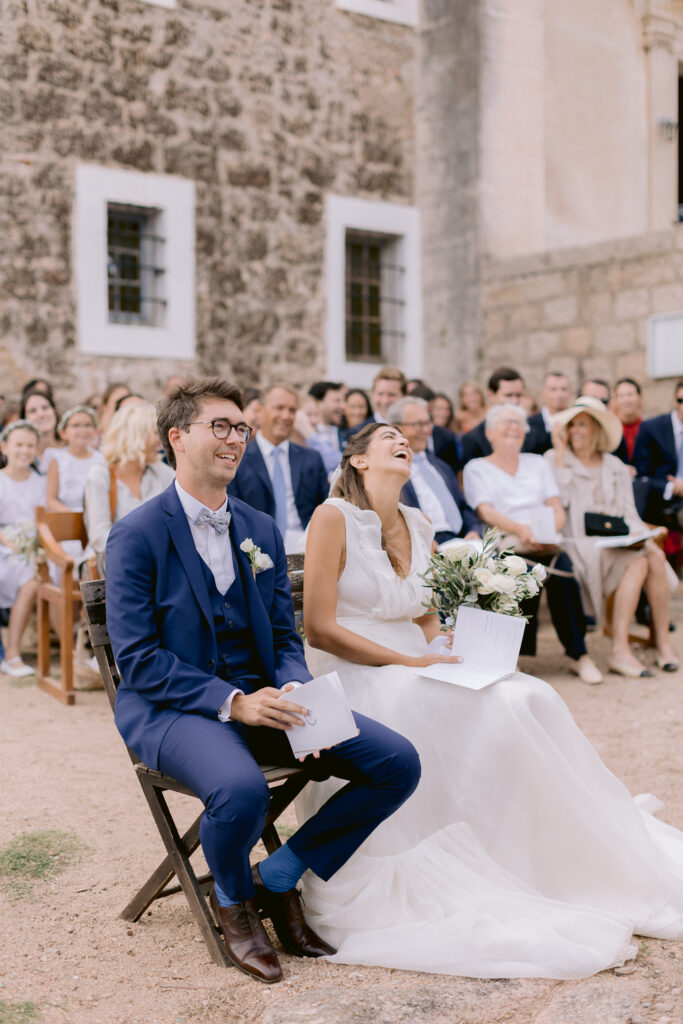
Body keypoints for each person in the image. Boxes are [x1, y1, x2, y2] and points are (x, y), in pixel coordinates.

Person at [298, 420, 683, 979]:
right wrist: (410, 662)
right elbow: (318, 628)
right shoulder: (331, 517)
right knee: (491, 709)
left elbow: (425, 610)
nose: (402, 441)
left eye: (406, 436)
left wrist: (442, 644)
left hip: (418, 660)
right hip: (360, 672)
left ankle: (539, 847)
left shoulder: (418, 520)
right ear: (357, 459)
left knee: (530, 695)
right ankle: (485, 849)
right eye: (388, 437)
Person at [104, 377, 422, 984]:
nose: (235, 439)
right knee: (242, 790)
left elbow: (282, 637)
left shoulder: (260, 527)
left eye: (240, 428)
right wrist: (233, 702)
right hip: (171, 710)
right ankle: (233, 901)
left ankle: (276, 877)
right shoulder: (137, 534)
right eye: (219, 427)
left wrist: (297, 687)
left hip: (266, 697)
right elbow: (138, 659)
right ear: (178, 437)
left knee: (396, 762)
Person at [463, 404, 601, 684]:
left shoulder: (537, 463)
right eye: (506, 422)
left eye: (519, 423)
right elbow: (485, 511)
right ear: (490, 432)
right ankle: (514, 657)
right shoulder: (477, 467)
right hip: (507, 538)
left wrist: (549, 531)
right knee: (519, 575)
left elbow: (555, 505)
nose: (514, 427)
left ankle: (579, 655)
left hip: (544, 538)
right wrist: (522, 531)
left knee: (564, 573)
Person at [546, 397, 677, 678]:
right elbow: (561, 504)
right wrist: (559, 457)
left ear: (596, 430)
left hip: (616, 540)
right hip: (580, 543)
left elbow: (629, 514)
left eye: (582, 424)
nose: (575, 431)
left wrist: (642, 534)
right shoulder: (554, 461)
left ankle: (641, 647)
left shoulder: (614, 465)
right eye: (571, 426)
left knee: (650, 554)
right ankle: (644, 648)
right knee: (646, 558)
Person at [228, 385, 329, 553]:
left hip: (308, 551)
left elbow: (326, 508)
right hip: (256, 553)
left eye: (292, 410)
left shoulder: (311, 458)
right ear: (259, 412)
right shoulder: (239, 459)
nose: (286, 416)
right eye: (279, 408)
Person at [84, 402, 174, 563]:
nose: (161, 441)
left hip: (159, 562)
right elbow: (100, 538)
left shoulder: (163, 474)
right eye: (154, 433)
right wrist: (144, 551)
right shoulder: (101, 475)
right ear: (135, 436)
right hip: (116, 563)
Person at [387, 397, 482, 545]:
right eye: (418, 424)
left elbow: (463, 506)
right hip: (425, 546)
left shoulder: (440, 466)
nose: (426, 430)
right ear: (395, 428)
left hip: (462, 541)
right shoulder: (390, 471)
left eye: (427, 423)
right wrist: (423, 542)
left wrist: (473, 531)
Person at [0, 420, 45, 677]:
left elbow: (43, 520)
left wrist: (32, 545)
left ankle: (13, 653)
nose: (24, 451)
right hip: (4, 546)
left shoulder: (39, 482)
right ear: (4, 446)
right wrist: (9, 543)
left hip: (31, 549)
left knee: (31, 581)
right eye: (19, 444)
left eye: (30, 445)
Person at [460, 367, 544, 464]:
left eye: (518, 395)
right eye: (508, 395)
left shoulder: (534, 434)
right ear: (492, 395)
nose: (514, 401)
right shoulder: (473, 439)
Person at [633, 379, 683, 530]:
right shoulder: (652, 428)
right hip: (662, 499)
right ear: (675, 401)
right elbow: (642, 474)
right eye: (680, 400)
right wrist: (672, 487)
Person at [45, 406, 104, 513]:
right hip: (67, 516)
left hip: (96, 513)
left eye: (88, 425)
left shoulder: (101, 459)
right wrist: (74, 516)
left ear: (95, 431)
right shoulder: (57, 459)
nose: (83, 430)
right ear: (63, 433)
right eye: (76, 425)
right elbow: (50, 500)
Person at [527, 371, 571, 454]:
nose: (560, 394)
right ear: (542, 394)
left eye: (563, 389)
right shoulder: (530, 424)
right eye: (553, 389)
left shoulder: (574, 423)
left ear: (569, 393)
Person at [20, 388, 61, 471]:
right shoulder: (21, 456)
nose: (41, 414)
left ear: (54, 411)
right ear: (25, 418)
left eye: (45, 407)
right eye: (33, 411)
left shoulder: (71, 449)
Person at [612, 378, 643, 466]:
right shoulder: (610, 428)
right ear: (615, 400)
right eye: (621, 396)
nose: (627, 400)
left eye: (630, 394)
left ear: (639, 397)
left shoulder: (647, 427)